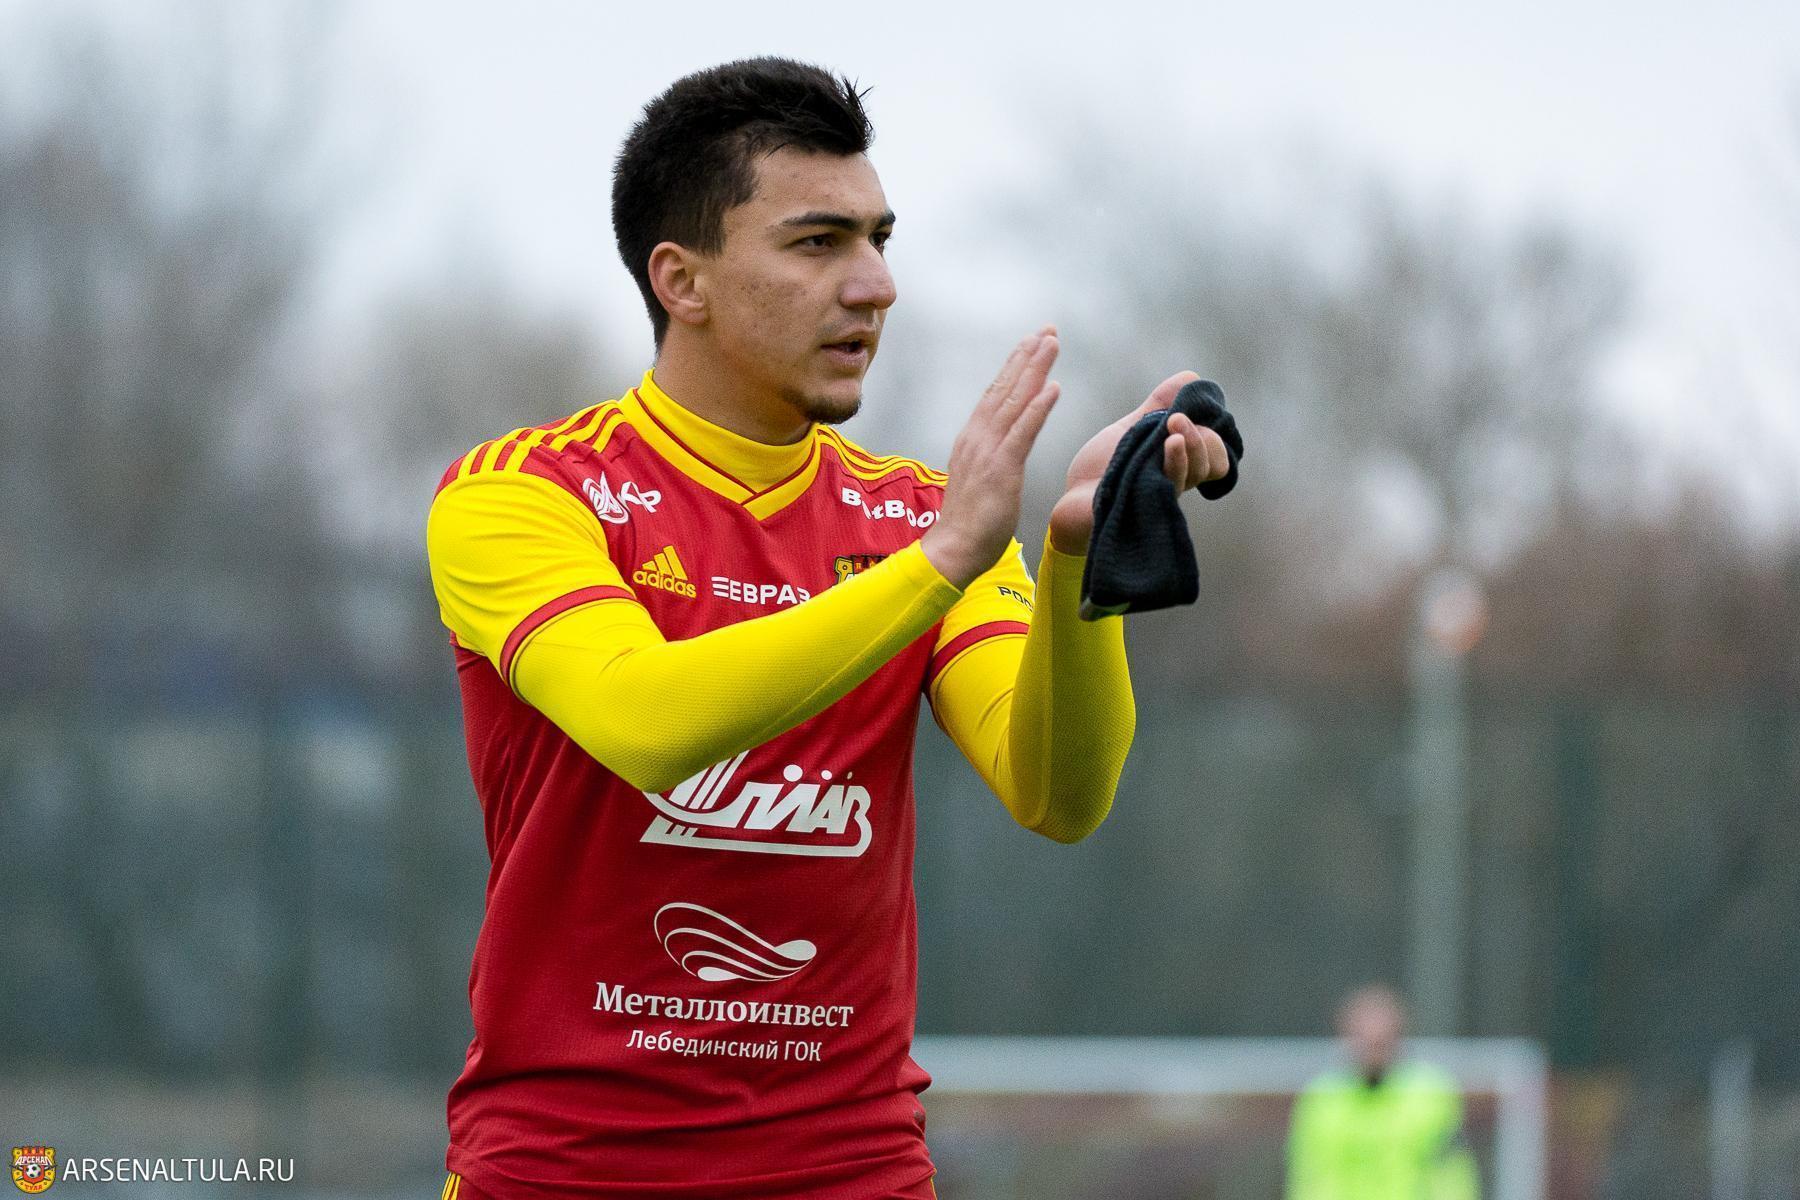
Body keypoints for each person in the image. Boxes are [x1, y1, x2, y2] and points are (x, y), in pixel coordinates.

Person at [424, 57, 1232, 1200]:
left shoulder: (913, 517)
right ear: (682, 281)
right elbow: (642, 719)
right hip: (565, 1171)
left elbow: (1059, 794)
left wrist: (1075, 561)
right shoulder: (525, 493)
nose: (876, 285)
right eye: (818, 243)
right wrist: (939, 563)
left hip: (850, 1172)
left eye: (880, 240)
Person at [1285, 985, 1481, 1200]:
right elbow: (1309, 1177)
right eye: (1366, 1040)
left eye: (1380, 1042)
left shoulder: (1430, 1095)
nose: (1373, 1050)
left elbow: (1451, 1175)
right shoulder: (1322, 1099)